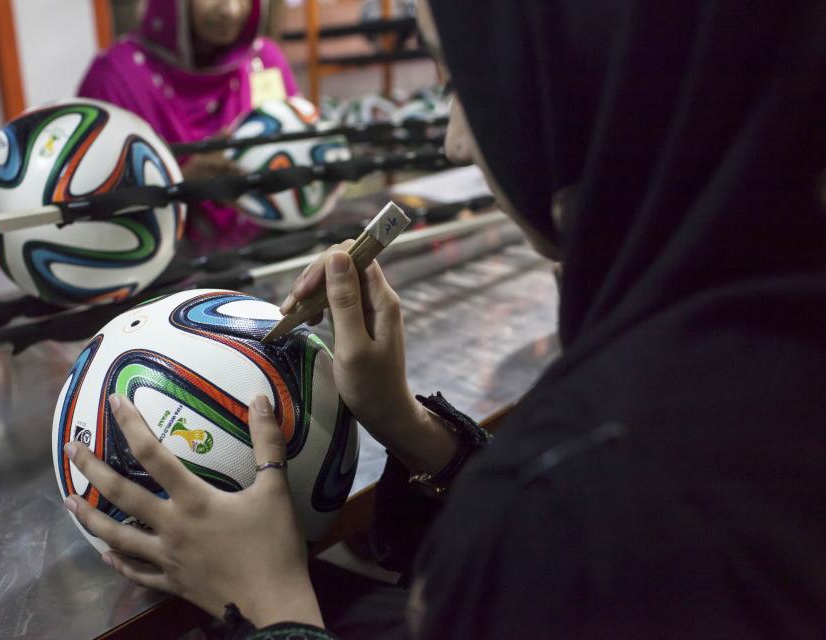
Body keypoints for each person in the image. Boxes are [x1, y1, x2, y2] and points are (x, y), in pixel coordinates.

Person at [62, 0, 826, 637]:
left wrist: (269, 606)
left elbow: (557, 532)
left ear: (579, 82)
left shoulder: (588, 503)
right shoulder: (766, 328)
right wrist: (409, 425)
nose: (458, 134)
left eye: (463, 79)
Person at [77, 0, 299, 250]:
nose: (231, 9)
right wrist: (179, 186)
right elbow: (92, 210)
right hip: (162, 268)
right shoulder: (114, 79)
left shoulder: (263, 60)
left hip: (269, 250)